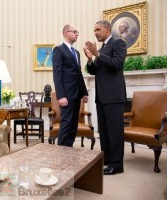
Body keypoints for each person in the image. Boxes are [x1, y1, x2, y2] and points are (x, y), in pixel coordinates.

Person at [83, 20, 127, 175]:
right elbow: (94, 71)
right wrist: (90, 59)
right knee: (105, 131)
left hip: (114, 97)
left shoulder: (118, 43)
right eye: (94, 30)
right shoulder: (102, 48)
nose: (95, 33)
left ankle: (117, 165)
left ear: (107, 29)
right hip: (101, 97)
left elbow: (117, 64)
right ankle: (107, 159)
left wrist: (97, 54)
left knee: (115, 132)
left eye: (98, 29)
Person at [52, 24, 88, 147]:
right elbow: (57, 74)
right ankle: (62, 151)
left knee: (74, 123)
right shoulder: (58, 50)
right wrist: (61, 95)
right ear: (66, 33)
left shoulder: (76, 53)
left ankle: (69, 148)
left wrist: (84, 92)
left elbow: (79, 74)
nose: (77, 34)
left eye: (77, 32)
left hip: (77, 94)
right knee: (66, 123)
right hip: (66, 95)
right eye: (75, 31)